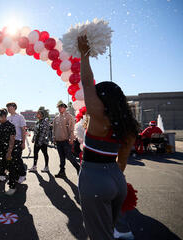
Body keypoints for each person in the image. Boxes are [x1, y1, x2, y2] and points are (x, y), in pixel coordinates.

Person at [77, 35, 139, 240]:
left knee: (99, 236)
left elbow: (86, 82)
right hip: (117, 180)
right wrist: (112, 180)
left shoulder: (97, 115)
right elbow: (122, 162)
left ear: (100, 97)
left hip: (94, 179)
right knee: (108, 232)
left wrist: (84, 54)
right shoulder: (128, 126)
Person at [52, 100, 80, 177]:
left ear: (65, 108)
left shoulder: (69, 117)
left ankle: (78, 168)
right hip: (58, 141)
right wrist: (54, 137)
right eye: (59, 107)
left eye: (61, 107)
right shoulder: (56, 118)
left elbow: (72, 129)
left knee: (69, 156)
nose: (59, 108)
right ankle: (62, 172)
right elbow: (54, 129)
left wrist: (71, 139)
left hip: (66, 141)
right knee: (61, 157)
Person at [6, 102, 27, 183]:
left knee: (17, 159)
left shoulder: (20, 117)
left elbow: (23, 130)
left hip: (18, 141)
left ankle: (22, 174)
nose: (8, 109)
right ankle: (14, 176)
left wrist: (23, 142)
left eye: (9, 107)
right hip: (10, 142)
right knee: (11, 160)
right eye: (7, 107)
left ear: (14, 107)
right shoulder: (7, 118)